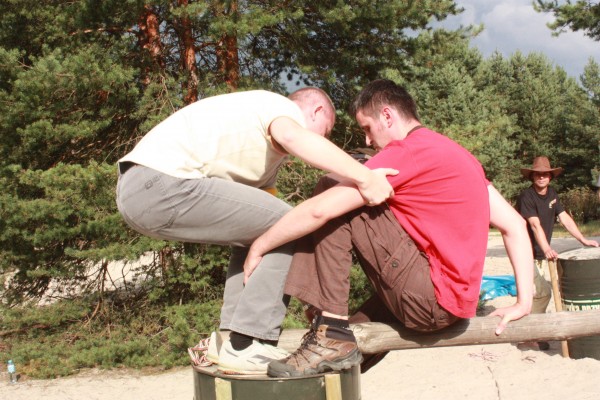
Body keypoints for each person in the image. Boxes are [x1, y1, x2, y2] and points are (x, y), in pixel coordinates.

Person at [243, 79, 534, 378]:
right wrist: (524, 302)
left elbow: (320, 210)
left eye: (368, 128)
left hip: (427, 298)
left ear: (387, 116)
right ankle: (329, 341)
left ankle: (328, 327)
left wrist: (260, 245)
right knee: (339, 365)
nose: (368, 140)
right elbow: (515, 225)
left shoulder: (408, 151)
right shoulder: (459, 155)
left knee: (332, 186)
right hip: (451, 306)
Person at [115, 87, 397, 374]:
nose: (323, 140)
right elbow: (292, 139)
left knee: (272, 232)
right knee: (291, 223)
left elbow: (269, 239)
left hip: (141, 192)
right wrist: (365, 177)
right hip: (158, 182)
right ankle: (247, 342)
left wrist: (307, 298)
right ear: (316, 111)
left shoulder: (265, 163)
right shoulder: (279, 108)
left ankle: (232, 341)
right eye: (325, 131)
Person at [516, 156, 599, 350]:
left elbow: (565, 218)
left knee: (537, 293)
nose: (541, 177)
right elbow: (534, 225)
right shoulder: (526, 196)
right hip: (524, 253)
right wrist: (547, 248)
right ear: (532, 177)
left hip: (539, 255)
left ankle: (534, 332)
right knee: (540, 293)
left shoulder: (552, 194)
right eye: (538, 174)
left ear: (550, 177)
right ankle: (528, 336)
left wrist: (582, 239)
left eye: (545, 174)